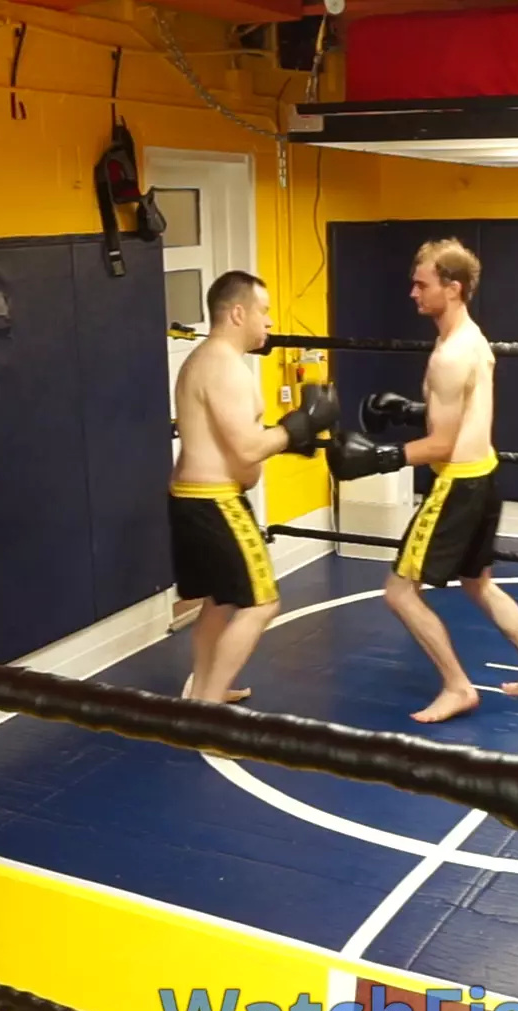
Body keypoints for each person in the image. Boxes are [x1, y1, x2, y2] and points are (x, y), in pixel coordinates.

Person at [325, 239, 518, 723]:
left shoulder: (450, 355)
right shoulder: (471, 338)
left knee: (399, 592)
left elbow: (442, 444)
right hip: (484, 474)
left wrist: (378, 459)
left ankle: (457, 687)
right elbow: (462, 415)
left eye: (422, 284)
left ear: (453, 288)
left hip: (457, 484)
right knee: (479, 583)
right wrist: (409, 411)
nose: (413, 293)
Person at [170, 270, 338, 703]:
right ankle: (206, 708)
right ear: (237, 313)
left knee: (218, 600)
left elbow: (234, 440)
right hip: (216, 503)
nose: (269, 320)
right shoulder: (225, 368)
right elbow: (246, 450)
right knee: (262, 603)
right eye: (263, 310)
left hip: (192, 499)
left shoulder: (203, 359)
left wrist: (291, 435)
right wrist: (299, 425)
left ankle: (203, 693)